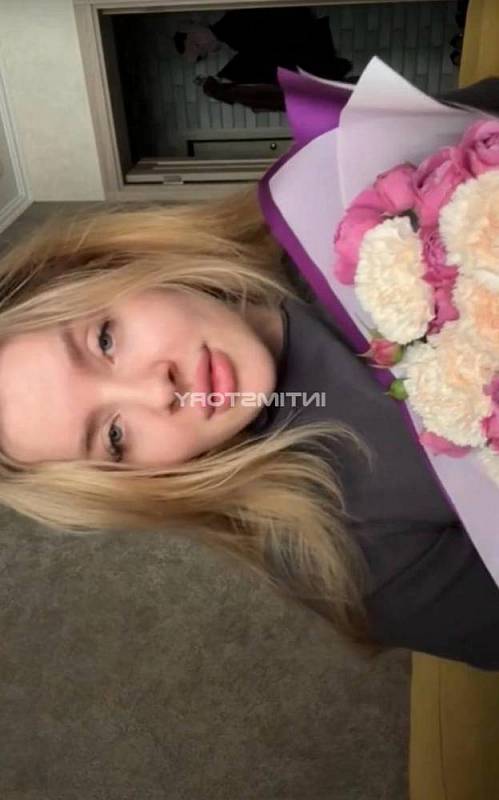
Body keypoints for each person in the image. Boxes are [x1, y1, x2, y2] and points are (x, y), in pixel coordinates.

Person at [1, 92, 499, 671]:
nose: (158, 392)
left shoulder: (333, 180)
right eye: (114, 437)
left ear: (113, 269)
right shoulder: (346, 558)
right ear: (138, 483)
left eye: (105, 341)